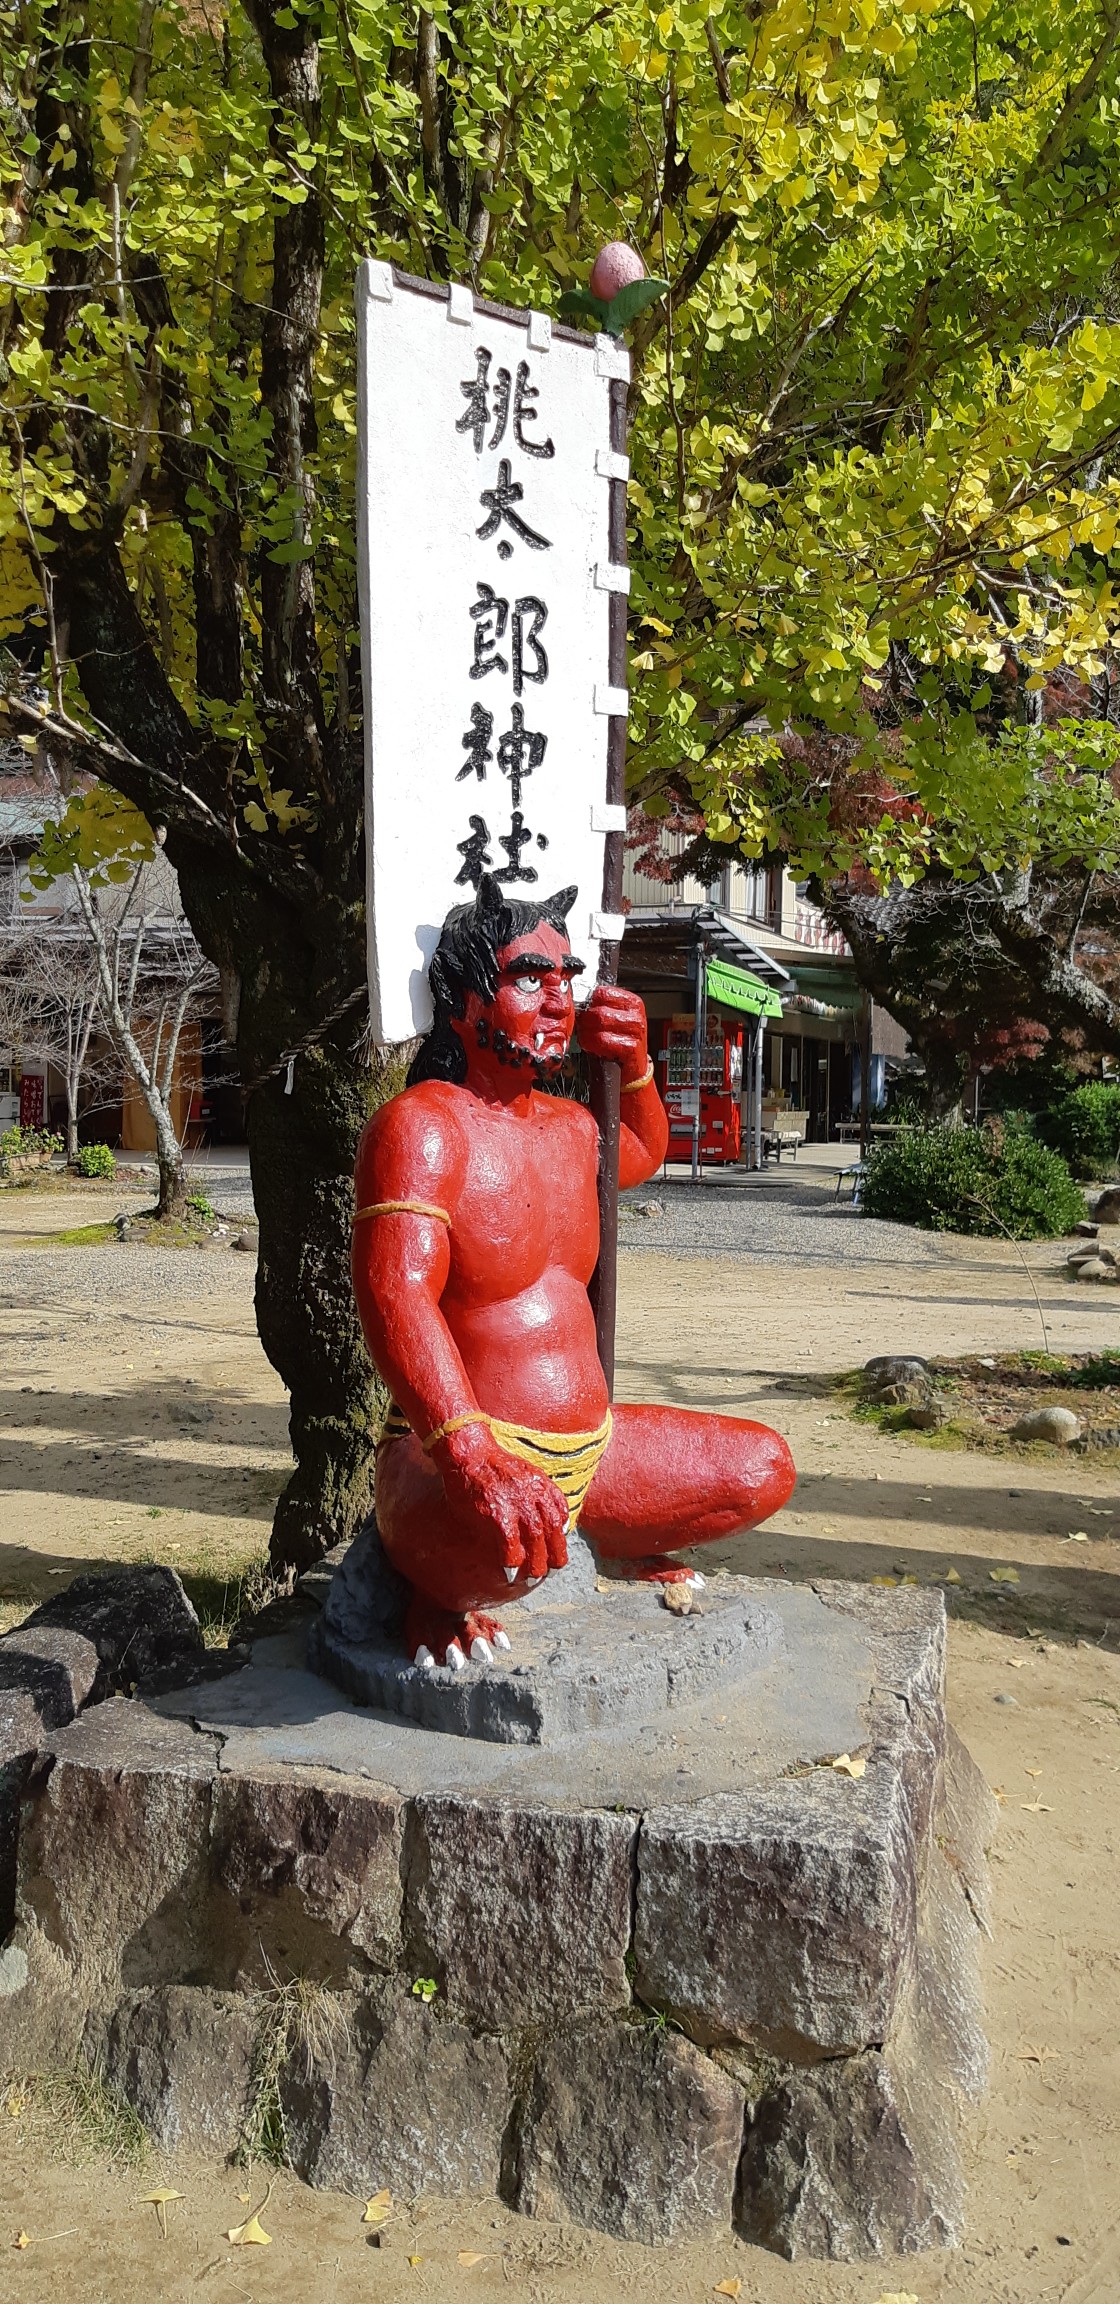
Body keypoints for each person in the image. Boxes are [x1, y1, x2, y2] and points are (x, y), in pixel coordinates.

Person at [352, 875, 795, 1668]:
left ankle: (594, 1539)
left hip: (593, 1450)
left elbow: (646, 1152)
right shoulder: (420, 1126)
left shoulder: (574, 1125)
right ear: (464, 999)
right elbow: (397, 1295)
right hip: (464, 1461)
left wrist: (637, 1066)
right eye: (529, 977)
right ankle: (437, 1591)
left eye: (566, 979)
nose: (559, 999)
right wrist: (468, 1454)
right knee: (501, 1554)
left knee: (764, 1467)